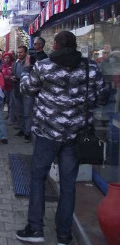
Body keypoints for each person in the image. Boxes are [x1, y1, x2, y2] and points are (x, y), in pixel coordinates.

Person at [15, 31, 109, 245]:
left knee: (38, 178)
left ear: (55, 46)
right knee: (68, 184)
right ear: (75, 45)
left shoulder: (44, 66)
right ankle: (64, 236)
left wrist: (28, 71)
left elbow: (26, 89)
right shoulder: (89, 67)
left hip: (47, 133)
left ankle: (35, 229)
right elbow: (103, 96)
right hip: (76, 135)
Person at [11, 45, 34, 143]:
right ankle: (22, 129)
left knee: (27, 113)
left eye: (21, 52)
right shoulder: (15, 64)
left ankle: (28, 133)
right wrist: (12, 77)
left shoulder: (30, 64)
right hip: (17, 89)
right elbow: (13, 73)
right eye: (18, 52)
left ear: (25, 53)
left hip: (28, 91)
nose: (19, 54)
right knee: (19, 112)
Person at [1, 52, 15, 125]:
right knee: (2, 102)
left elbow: (14, 75)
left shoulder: (13, 65)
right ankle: (0, 118)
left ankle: (11, 118)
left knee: (11, 103)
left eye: (8, 58)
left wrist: (9, 77)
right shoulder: (2, 66)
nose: (6, 59)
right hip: (4, 87)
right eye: (5, 58)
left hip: (11, 87)